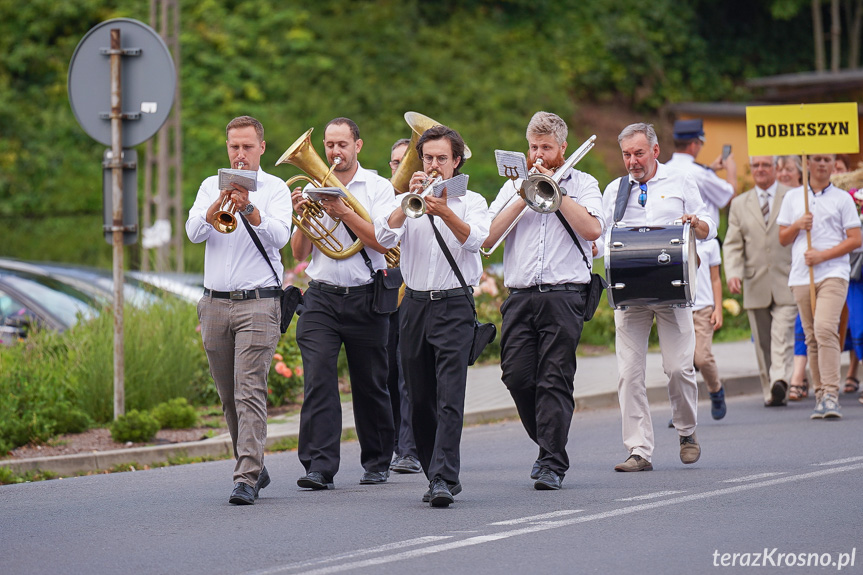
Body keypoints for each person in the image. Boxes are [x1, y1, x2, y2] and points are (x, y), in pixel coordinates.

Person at [483, 112, 603, 490]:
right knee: (516, 376)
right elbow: (487, 239)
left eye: (546, 148)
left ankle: (552, 462)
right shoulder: (513, 186)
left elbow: (593, 229)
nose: (537, 154)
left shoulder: (583, 183)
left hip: (564, 295)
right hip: (520, 296)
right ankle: (550, 443)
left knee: (554, 378)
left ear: (563, 148)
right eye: (533, 147)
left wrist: (556, 191)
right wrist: (526, 193)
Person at [376, 124, 490, 506]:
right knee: (419, 397)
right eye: (428, 158)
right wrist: (407, 200)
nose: (435, 165)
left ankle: (443, 476)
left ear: (457, 162)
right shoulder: (410, 200)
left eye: (443, 158)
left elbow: (477, 241)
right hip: (414, 305)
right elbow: (384, 237)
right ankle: (433, 471)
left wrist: (444, 211)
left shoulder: (471, 201)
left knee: (449, 396)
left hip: (455, 304)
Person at [185, 115, 292, 505]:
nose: (241, 154)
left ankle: (245, 476)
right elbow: (193, 232)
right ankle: (254, 463)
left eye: (248, 146)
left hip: (259, 302)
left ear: (262, 147)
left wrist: (249, 210)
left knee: (250, 389)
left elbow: (282, 235)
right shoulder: (207, 186)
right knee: (228, 394)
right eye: (234, 147)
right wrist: (216, 205)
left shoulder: (276, 189)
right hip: (214, 303)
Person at [601, 123, 715, 472]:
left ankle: (687, 430)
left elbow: (710, 228)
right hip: (631, 292)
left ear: (655, 151)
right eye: (626, 154)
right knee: (629, 374)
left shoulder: (681, 181)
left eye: (638, 153)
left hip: (673, 291)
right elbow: (601, 235)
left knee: (679, 368)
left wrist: (696, 223)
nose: (632, 161)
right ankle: (639, 450)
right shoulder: (615, 190)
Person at [291, 117, 395, 489]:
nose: (335, 152)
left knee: (370, 382)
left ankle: (378, 460)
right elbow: (298, 253)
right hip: (322, 296)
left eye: (342, 145)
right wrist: (300, 213)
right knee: (318, 378)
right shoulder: (315, 187)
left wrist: (344, 212)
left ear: (358, 146)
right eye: (329, 145)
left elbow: (383, 242)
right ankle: (319, 466)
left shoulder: (380, 188)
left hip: (367, 295)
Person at [777, 153, 862, 419]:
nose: (823, 164)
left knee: (826, 329)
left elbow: (855, 239)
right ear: (808, 164)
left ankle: (831, 395)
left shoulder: (842, 199)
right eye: (817, 159)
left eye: (828, 159)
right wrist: (798, 225)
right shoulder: (793, 198)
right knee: (813, 336)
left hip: (833, 273)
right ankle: (821, 394)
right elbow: (782, 238)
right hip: (802, 276)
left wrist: (824, 256)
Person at [723, 156, 796, 407]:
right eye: (756, 166)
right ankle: (771, 390)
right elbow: (732, 244)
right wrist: (732, 272)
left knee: (782, 333)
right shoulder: (740, 204)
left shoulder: (793, 196)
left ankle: (780, 379)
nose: (761, 170)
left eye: (766, 165)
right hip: (755, 282)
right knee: (762, 341)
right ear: (751, 169)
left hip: (787, 278)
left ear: (776, 168)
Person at [385, 137, 422, 474]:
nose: (400, 168)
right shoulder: (383, 199)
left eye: (406, 161)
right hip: (384, 299)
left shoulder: (421, 200)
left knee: (408, 377)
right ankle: (395, 444)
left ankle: (409, 449)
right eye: (395, 163)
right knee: (388, 374)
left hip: (413, 296)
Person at [665, 118, 736, 229]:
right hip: (702, 240)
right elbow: (730, 197)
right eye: (701, 143)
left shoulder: (665, 168)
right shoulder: (701, 173)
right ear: (694, 144)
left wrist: (711, 170)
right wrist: (731, 169)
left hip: (675, 237)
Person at [691, 238, 726, 418]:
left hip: (703, 308)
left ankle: (716, 390)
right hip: (680, 309)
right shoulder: (675, 235)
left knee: (702, 358)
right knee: (680, 364)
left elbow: (715, 278)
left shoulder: (710, 242)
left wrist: (717, 308)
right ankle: (682, 408)